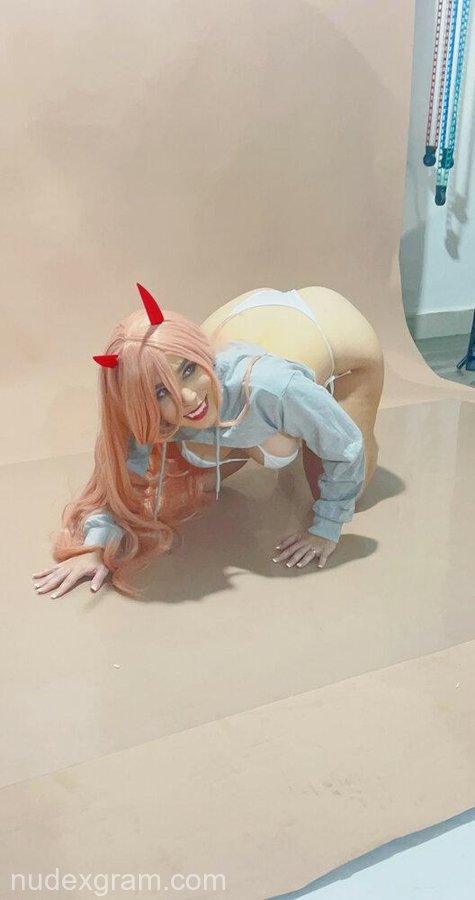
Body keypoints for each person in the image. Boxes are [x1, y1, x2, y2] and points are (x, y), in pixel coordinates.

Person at [32, 283, 384, 600]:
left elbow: (346, 447)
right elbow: (121, 476)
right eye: (161, 392)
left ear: (200, 356)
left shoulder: (273, 386)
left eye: (188, 370)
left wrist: (327, 527)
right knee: (195, 470)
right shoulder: (150, 400)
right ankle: (276, 422)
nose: (186, 397)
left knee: (336, 480)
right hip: (240, 320)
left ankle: (307, 410)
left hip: (331, 325)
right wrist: (94, 549)